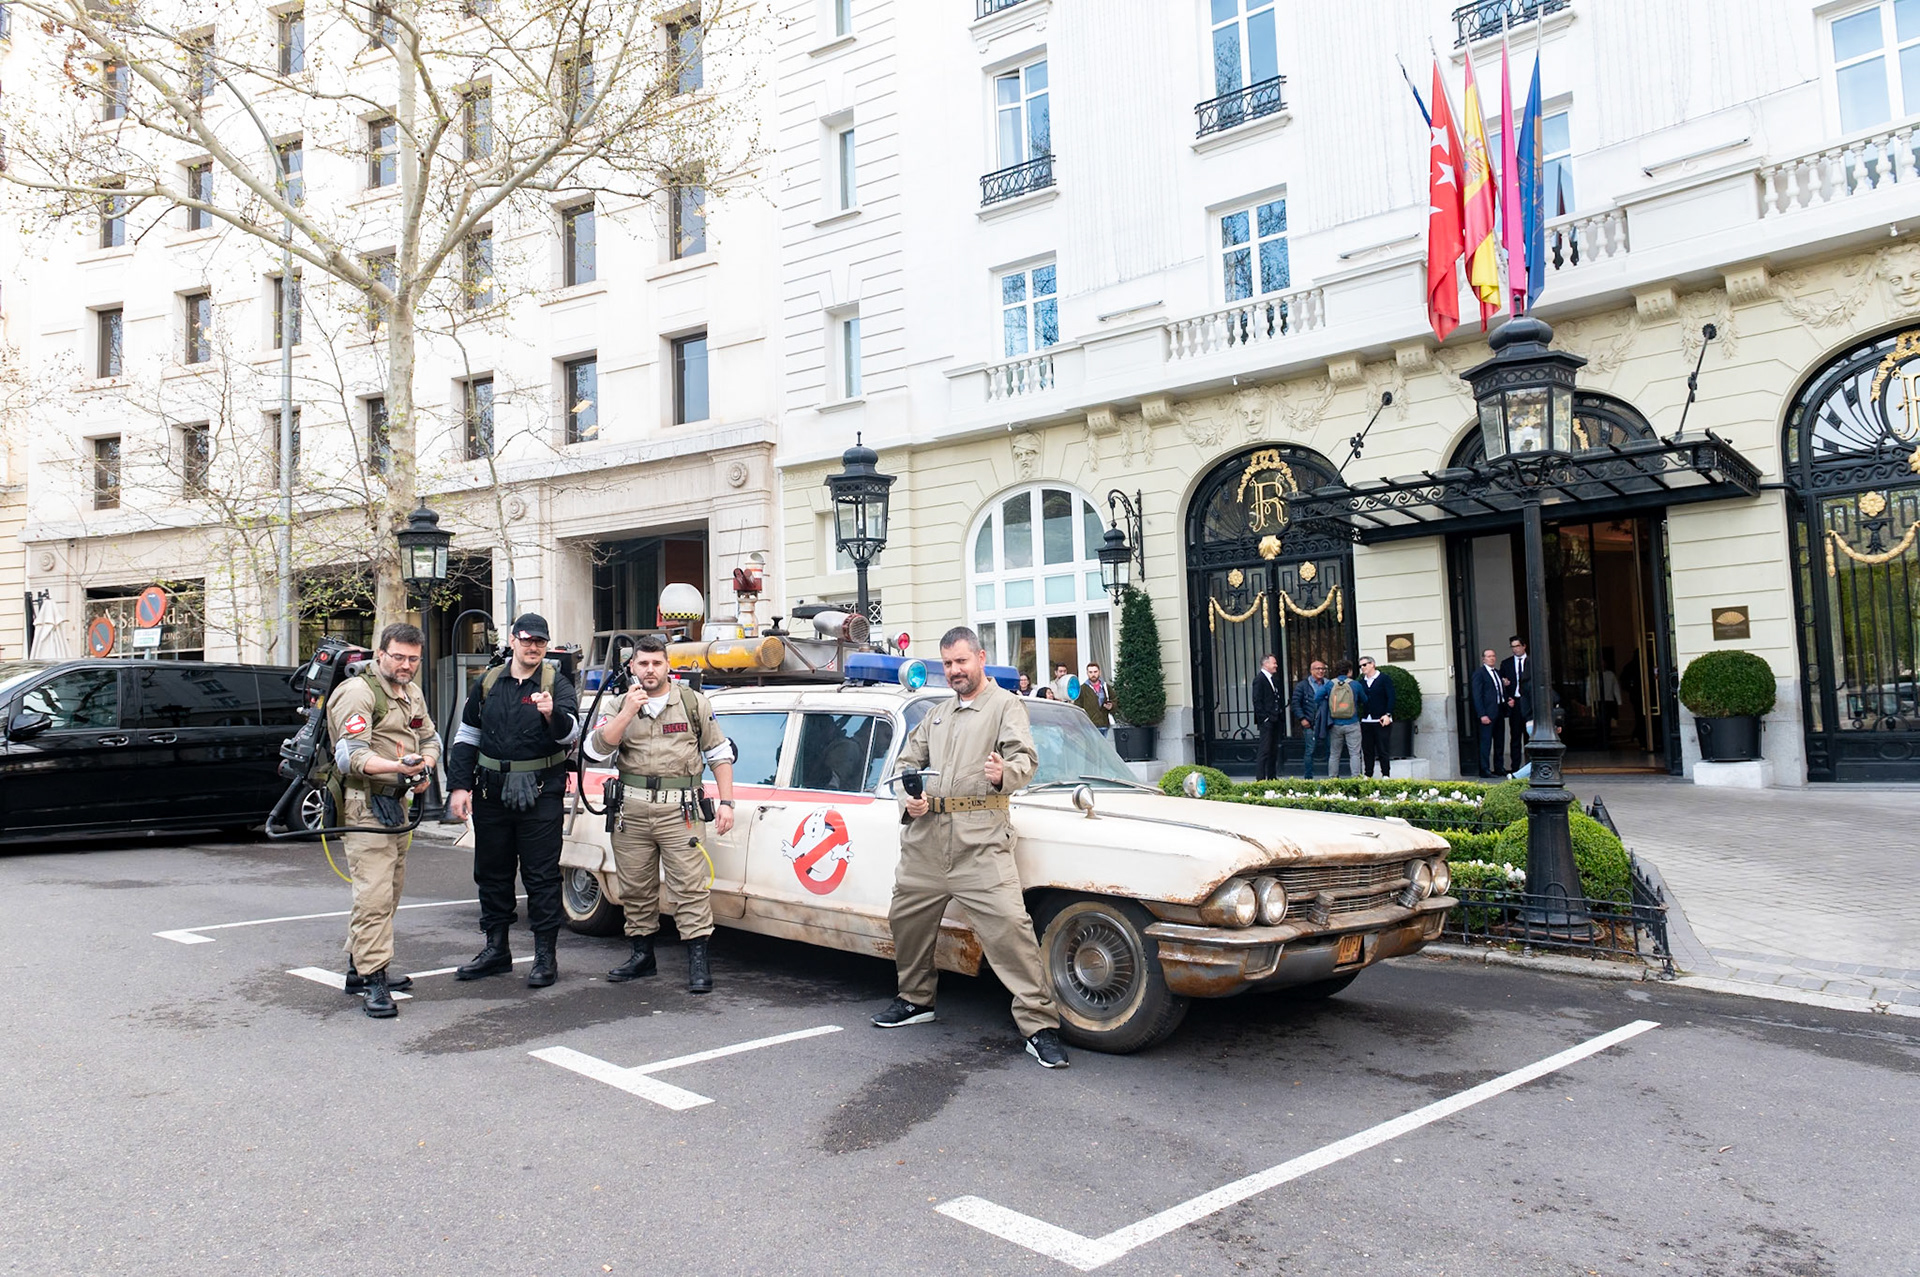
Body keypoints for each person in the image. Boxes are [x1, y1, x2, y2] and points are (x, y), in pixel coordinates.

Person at [872, 626, 1069, 1070]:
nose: (955, 671)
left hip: (980, 838)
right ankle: (916, 1000)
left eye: (961, 661)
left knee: (1010, 929)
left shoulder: (1005, 705)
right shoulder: (937, 714)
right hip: (927, 838)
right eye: (948, 664)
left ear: (980, 658)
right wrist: (910, 796)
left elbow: (1025, 759)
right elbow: (906, 764)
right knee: (906, 918)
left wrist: (1004, 774)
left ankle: (1040, 1027)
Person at [583, 635, 736, 993]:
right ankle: (642, 956)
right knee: (635, 886)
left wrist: (727, 802)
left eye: (656, 663)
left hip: (679, 810)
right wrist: (626, 712)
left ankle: (698, 960)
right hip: (631, 811)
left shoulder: (692, 703)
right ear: (632, 667)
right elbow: (595, 749)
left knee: (689, 886)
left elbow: (719, 754)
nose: (650, 670)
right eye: (643, 664)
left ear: (667, 666)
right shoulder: (619, 703)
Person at [445, 614, 580, 989]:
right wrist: (459, 787)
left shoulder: (557, 684)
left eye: (540, 641)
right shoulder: (488, 682)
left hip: (541, 792)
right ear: (513, 640)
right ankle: (496, 950)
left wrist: (552, 713)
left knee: (541, 877)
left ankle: (544, 957)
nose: (533, 647)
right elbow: (467, 736)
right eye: (527, 640)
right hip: (491, 792)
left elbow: (571, 734)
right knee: (492, 873)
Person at [327, 623, 440, 1019]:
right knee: (373, 895)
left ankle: (358, 967)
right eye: (399, 657)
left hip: (397, 803)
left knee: (388, 891)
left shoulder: (411, 692)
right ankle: (374, 978)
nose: (406, 665)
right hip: (363, 805)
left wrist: (423, 765)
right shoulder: (358, 693)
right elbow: (350, 756)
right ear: (380, 654)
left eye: (413, 659)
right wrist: (397, 766)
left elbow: (430, 738)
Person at [1289, 659, 1330, 779]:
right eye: (1318, 668)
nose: (1321, 671)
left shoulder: (1328, 684)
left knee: (1330, 751)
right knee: (1310, 751)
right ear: (1311, 670)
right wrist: (1302, 718)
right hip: (1310, 724)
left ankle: (1332, 778)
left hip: (1327, 723)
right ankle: (1308, 778)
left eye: (1323, 669)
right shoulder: (1303, 685)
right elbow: (1295, 703)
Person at [1471, 648, 1508, 778]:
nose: (1491, 658)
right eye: (1488, 656)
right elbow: (1477, 695)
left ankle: (1499, 767)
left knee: (1499, 742)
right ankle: (1484, 769)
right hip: (1487, 713)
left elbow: (1498, 691)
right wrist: (1482, 714)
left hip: (1499, 711)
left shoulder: (1497, 673)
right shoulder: (1479, 673)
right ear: (1483, 659)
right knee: (1486, 742)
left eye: (1493, 656)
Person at [1325, 660, 1364, 779]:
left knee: (1334, 754)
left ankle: (1332, 779)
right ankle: (1355, 778)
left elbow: (1317, 697)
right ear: (1350, 671)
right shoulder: (1355, 684)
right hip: (1352, 722)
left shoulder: (1330, 684)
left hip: (1335, 724)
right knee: (1354, 754)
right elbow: (1365, 699)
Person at [1357, 656, 1395, 778]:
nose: (1362, 668)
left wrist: (1388, 714)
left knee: (1383, 749)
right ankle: (1368, 775)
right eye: (1361, 666)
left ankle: (1386, 775)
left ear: (1372, 664)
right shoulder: (1361, 682)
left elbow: (1391, 697)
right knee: (1367, 750)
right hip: (1366, 720)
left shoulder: (1384, 679)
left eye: (1365, 665)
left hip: (1381, 719)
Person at [1500, 637, 1532, 774]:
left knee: (1531, 736)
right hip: (1515, 703)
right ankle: (1515, 768)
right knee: (1515, 736)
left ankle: (1531, 767)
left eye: (1517, 646)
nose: (1515, 649)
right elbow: (1500, 683)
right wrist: (1508, 697)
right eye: (1512, 646)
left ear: (1524, 646)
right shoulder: (1506, 663)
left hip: (1529, 703)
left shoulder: (1532, 662)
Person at [1250, 653, 1284, 781]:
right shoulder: (1259, 679)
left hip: (1275, 719)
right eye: (1274, 663)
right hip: (1267, 721)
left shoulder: (1273, 680)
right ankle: (1260, 779)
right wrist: (1264, 718)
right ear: (1266, 664)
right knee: (1264, 750)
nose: (1276, 666)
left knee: (1273, 750)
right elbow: (1257, 700)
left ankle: (1272, 777)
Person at [1076, 662, 1115, 734]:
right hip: (1089, 725)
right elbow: (1078, 707)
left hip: (1104, 724)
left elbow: (1114, 700)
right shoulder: (1082, 689)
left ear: (1099, 672)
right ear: (1087, 673)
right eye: (1090, 672)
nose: (1093, 674)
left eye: (1095, 672)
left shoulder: (1106, 687)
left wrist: (1111, 706)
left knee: (1102, 745)